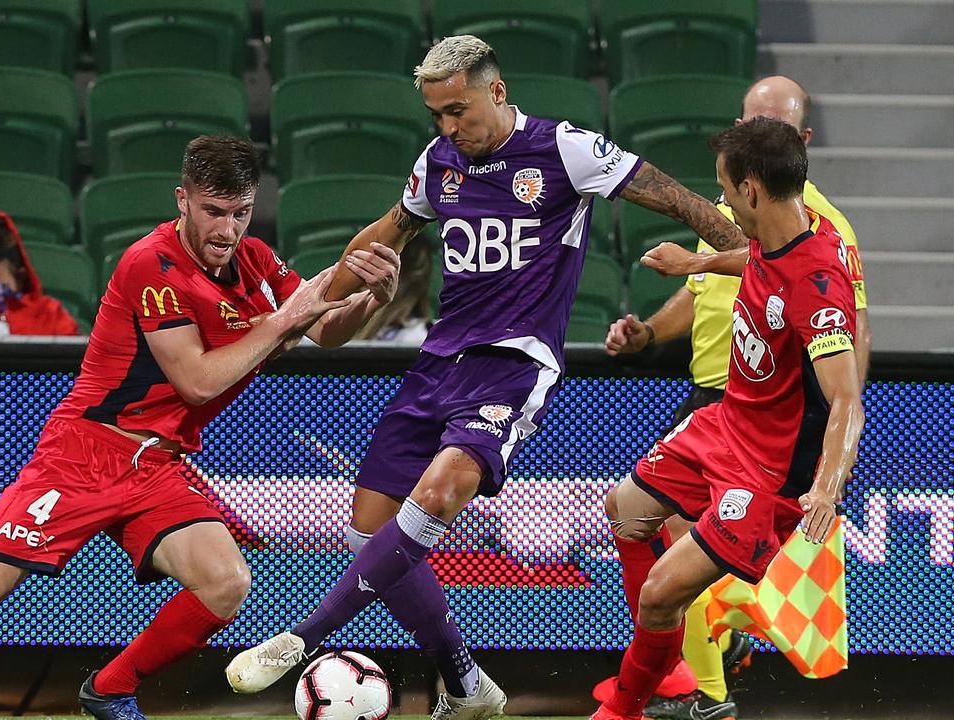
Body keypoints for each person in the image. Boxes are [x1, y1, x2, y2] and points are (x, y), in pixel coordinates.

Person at [0, 136, 401, 720]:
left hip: (158, 462)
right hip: (85, 451)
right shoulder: (151, 266)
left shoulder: (255, 261)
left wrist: (374, 299)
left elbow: (326, 331)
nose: (227, 230)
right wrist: (284, 321)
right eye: (212, 211)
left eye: (239, 213)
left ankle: (111, 689)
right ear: (183, 199)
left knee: (226, 581)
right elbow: (199, 381)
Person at [225, 35, 750, 720]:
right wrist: (304, 312)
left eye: (457, 110)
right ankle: (466, 684)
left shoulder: (567, 150)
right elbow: (383, 233)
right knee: (369, 531)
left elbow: (677, 197)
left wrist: (750, 252)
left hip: (514, 365)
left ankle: (302, 637)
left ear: (495, 92)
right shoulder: (437, 162)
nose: (448, 127)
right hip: (439, 364)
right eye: (436, 114)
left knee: (444, 487)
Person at [603, 75, 872, 719]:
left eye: (724, 190)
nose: (720, 201)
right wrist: (693, 265)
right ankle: (670, 663)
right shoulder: (774, 230)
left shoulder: (820, 273)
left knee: (661, 593)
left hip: (768, 468)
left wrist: (828, 486)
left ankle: (629, 706)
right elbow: (753, 257)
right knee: (624, 508)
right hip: (724, 422)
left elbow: (846, 400)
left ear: (750, 187)